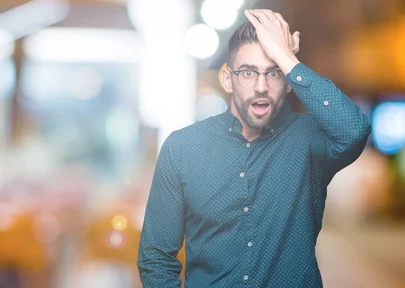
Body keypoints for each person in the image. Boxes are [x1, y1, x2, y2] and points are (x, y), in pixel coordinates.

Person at [137, 9, 371, 287]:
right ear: (228, 79)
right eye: (248, 72)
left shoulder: (309, 140)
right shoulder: (183, 148)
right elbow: (156, 258)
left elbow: (354, 130)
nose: (261, 86)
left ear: (286, 83)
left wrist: (288, 59)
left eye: (273, 73)